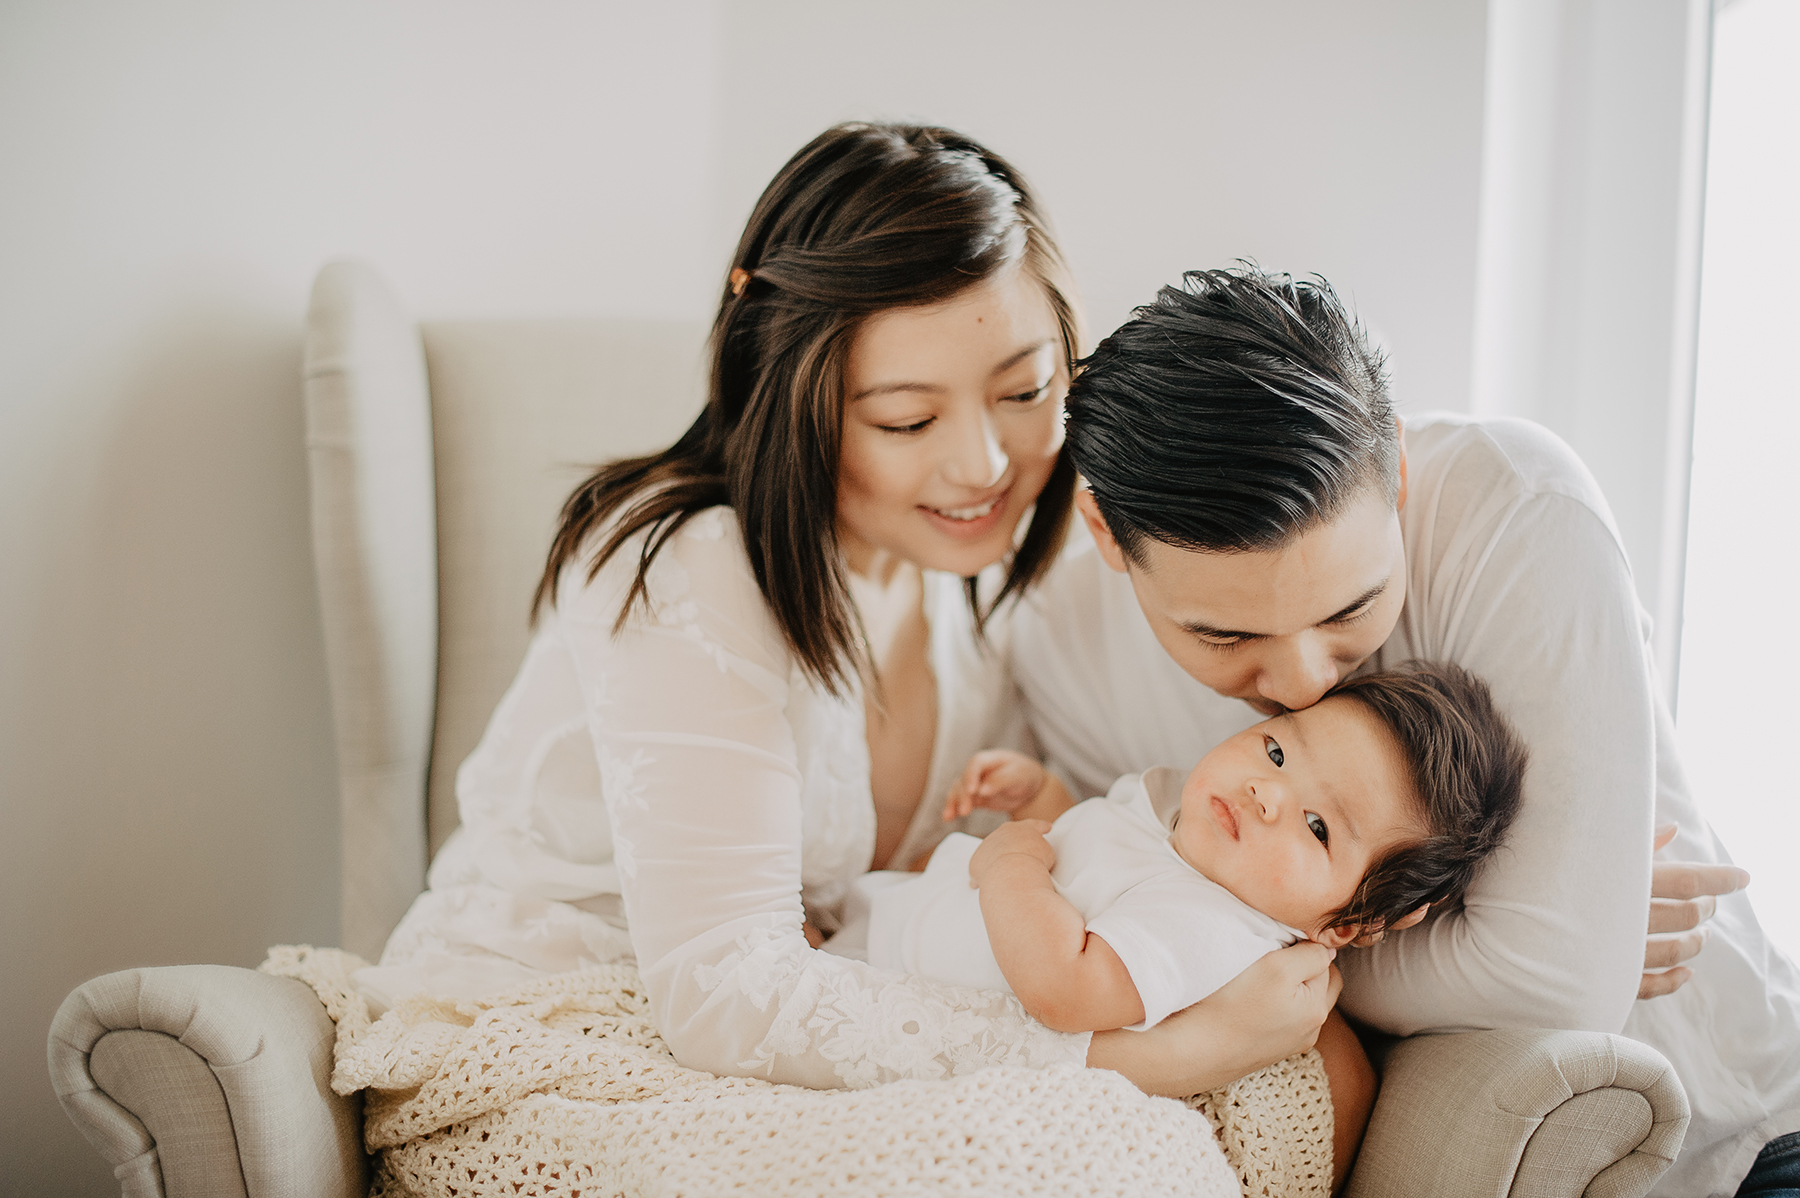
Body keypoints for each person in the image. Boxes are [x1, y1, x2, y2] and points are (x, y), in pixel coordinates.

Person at [364, 127, 1346, 1130]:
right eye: (908, 421)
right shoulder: (692, 568)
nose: (983, 464)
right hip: (548, 1036)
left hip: (768, 1058)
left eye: (1024, 392)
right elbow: (723, 991)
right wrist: (1153, 1056)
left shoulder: (977, 599)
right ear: (792, 395)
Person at [1011, 265, 1800, 1197]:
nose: (1304, 684)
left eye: (1351, 607)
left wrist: (1265, 952)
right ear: (1106, 533)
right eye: (1226, 638)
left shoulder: (1512, 506)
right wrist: (1541, 920)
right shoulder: (1064, 647)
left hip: (1744, 1135)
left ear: (1394, 466)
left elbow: (1561, 982)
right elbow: (1114, 925)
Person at [863, 663, 1525, 1036]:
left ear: (1346, 924)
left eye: (1318, 826)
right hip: (885, 930)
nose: (1267, 792)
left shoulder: (1215, 929)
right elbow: (1093, 871)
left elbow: (1067, 987)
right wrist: (1041, 798)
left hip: (893, 998)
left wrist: (1008, 863)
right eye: (1277, 751)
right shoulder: (1182, 820)